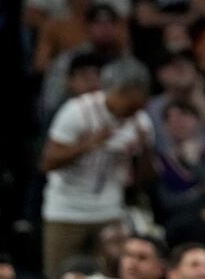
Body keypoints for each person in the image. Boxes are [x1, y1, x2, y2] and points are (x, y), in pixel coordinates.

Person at [40, 57, 154, 279]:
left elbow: (145, 179)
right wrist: (88, 144)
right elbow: (48, 162)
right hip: (66, 211)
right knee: (60, 274)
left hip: (109, 211)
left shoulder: (141, 122)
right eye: (130, 104)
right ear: (116, 91)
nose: (133, 111)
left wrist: (143, 152)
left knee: (114, 274)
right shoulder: (77, 111)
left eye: (139, 105)